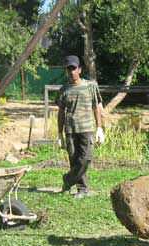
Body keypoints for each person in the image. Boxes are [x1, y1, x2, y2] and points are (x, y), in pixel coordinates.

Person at [57, 55, 105, 198]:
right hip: (70, 130)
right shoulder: (64, 90)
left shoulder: (90, 86)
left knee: (86, 158)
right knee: (74, 160)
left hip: (87, 129)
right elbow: (60, 113)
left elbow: (96, 107)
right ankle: (82, 189)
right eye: (68, 69)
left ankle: (68, 179)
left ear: (80, 69)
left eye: (73, 68)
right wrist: (59, 134)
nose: (71, 71)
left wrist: (100, 128)